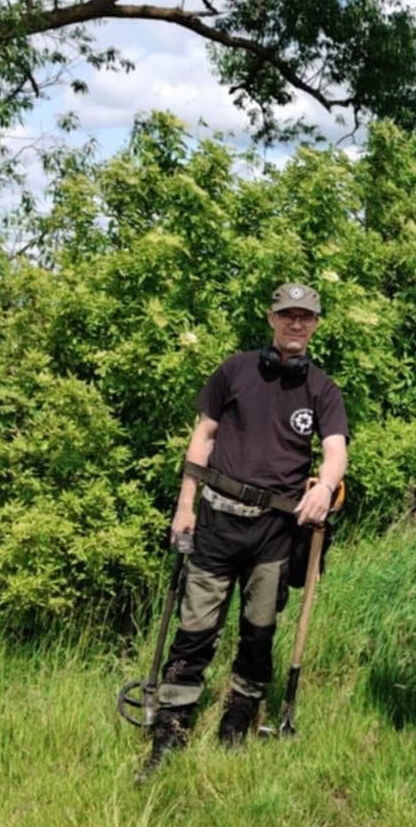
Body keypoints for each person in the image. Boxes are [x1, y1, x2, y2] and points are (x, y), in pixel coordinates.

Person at [143, 283, 349, 776]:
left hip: (276, 531)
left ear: (316, 324)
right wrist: (185, 507)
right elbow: (203, 436)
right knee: (194, 629)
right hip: (216, 520)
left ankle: (238, 719)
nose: (295, 324)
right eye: (287, 315)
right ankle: (170, 728)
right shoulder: (235, 370)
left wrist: (325, 488)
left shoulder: (322, 388)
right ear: (271, 319)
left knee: (258, 632)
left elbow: (335, 450)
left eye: (305, 317)